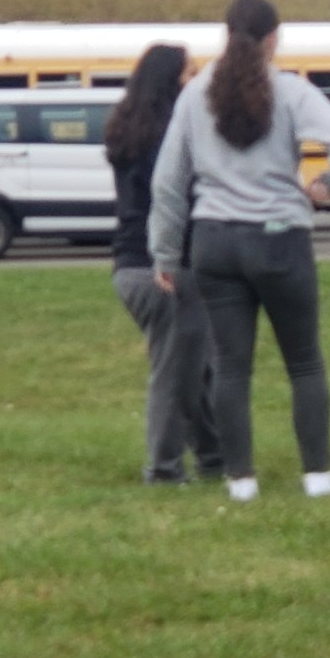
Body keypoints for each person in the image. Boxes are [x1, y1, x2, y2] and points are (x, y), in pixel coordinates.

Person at [148, 0, 330, 502]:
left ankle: (240, 480)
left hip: (214, 241)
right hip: (279, 238)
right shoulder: (291, 91)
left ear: (226, 35)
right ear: (274, 39)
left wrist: (164, 253)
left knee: (231, 366)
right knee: (304, 362)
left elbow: (168, 182)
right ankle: (318, 476)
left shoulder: (195, 94)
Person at [106, 43, 222, 486]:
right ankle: (164, 469)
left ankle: (215, 456)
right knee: (176, 374)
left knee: (197, 367)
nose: (197, 79)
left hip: (128, 267)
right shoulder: (170, 137)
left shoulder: (128, 130)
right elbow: (176, 201)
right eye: (191, 72)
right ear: (174, 80)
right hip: (166, 267)